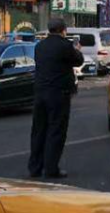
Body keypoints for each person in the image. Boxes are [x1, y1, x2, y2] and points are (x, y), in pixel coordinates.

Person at [29, 18, 84, 179]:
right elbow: (78, 60)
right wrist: (77, 49)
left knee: (38, 130)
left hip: (40, 93)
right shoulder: (65, 46)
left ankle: (35, 167)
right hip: (58, 93)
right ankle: (51, 168)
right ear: (63, 30)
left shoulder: (40, 46)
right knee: (56, 130)